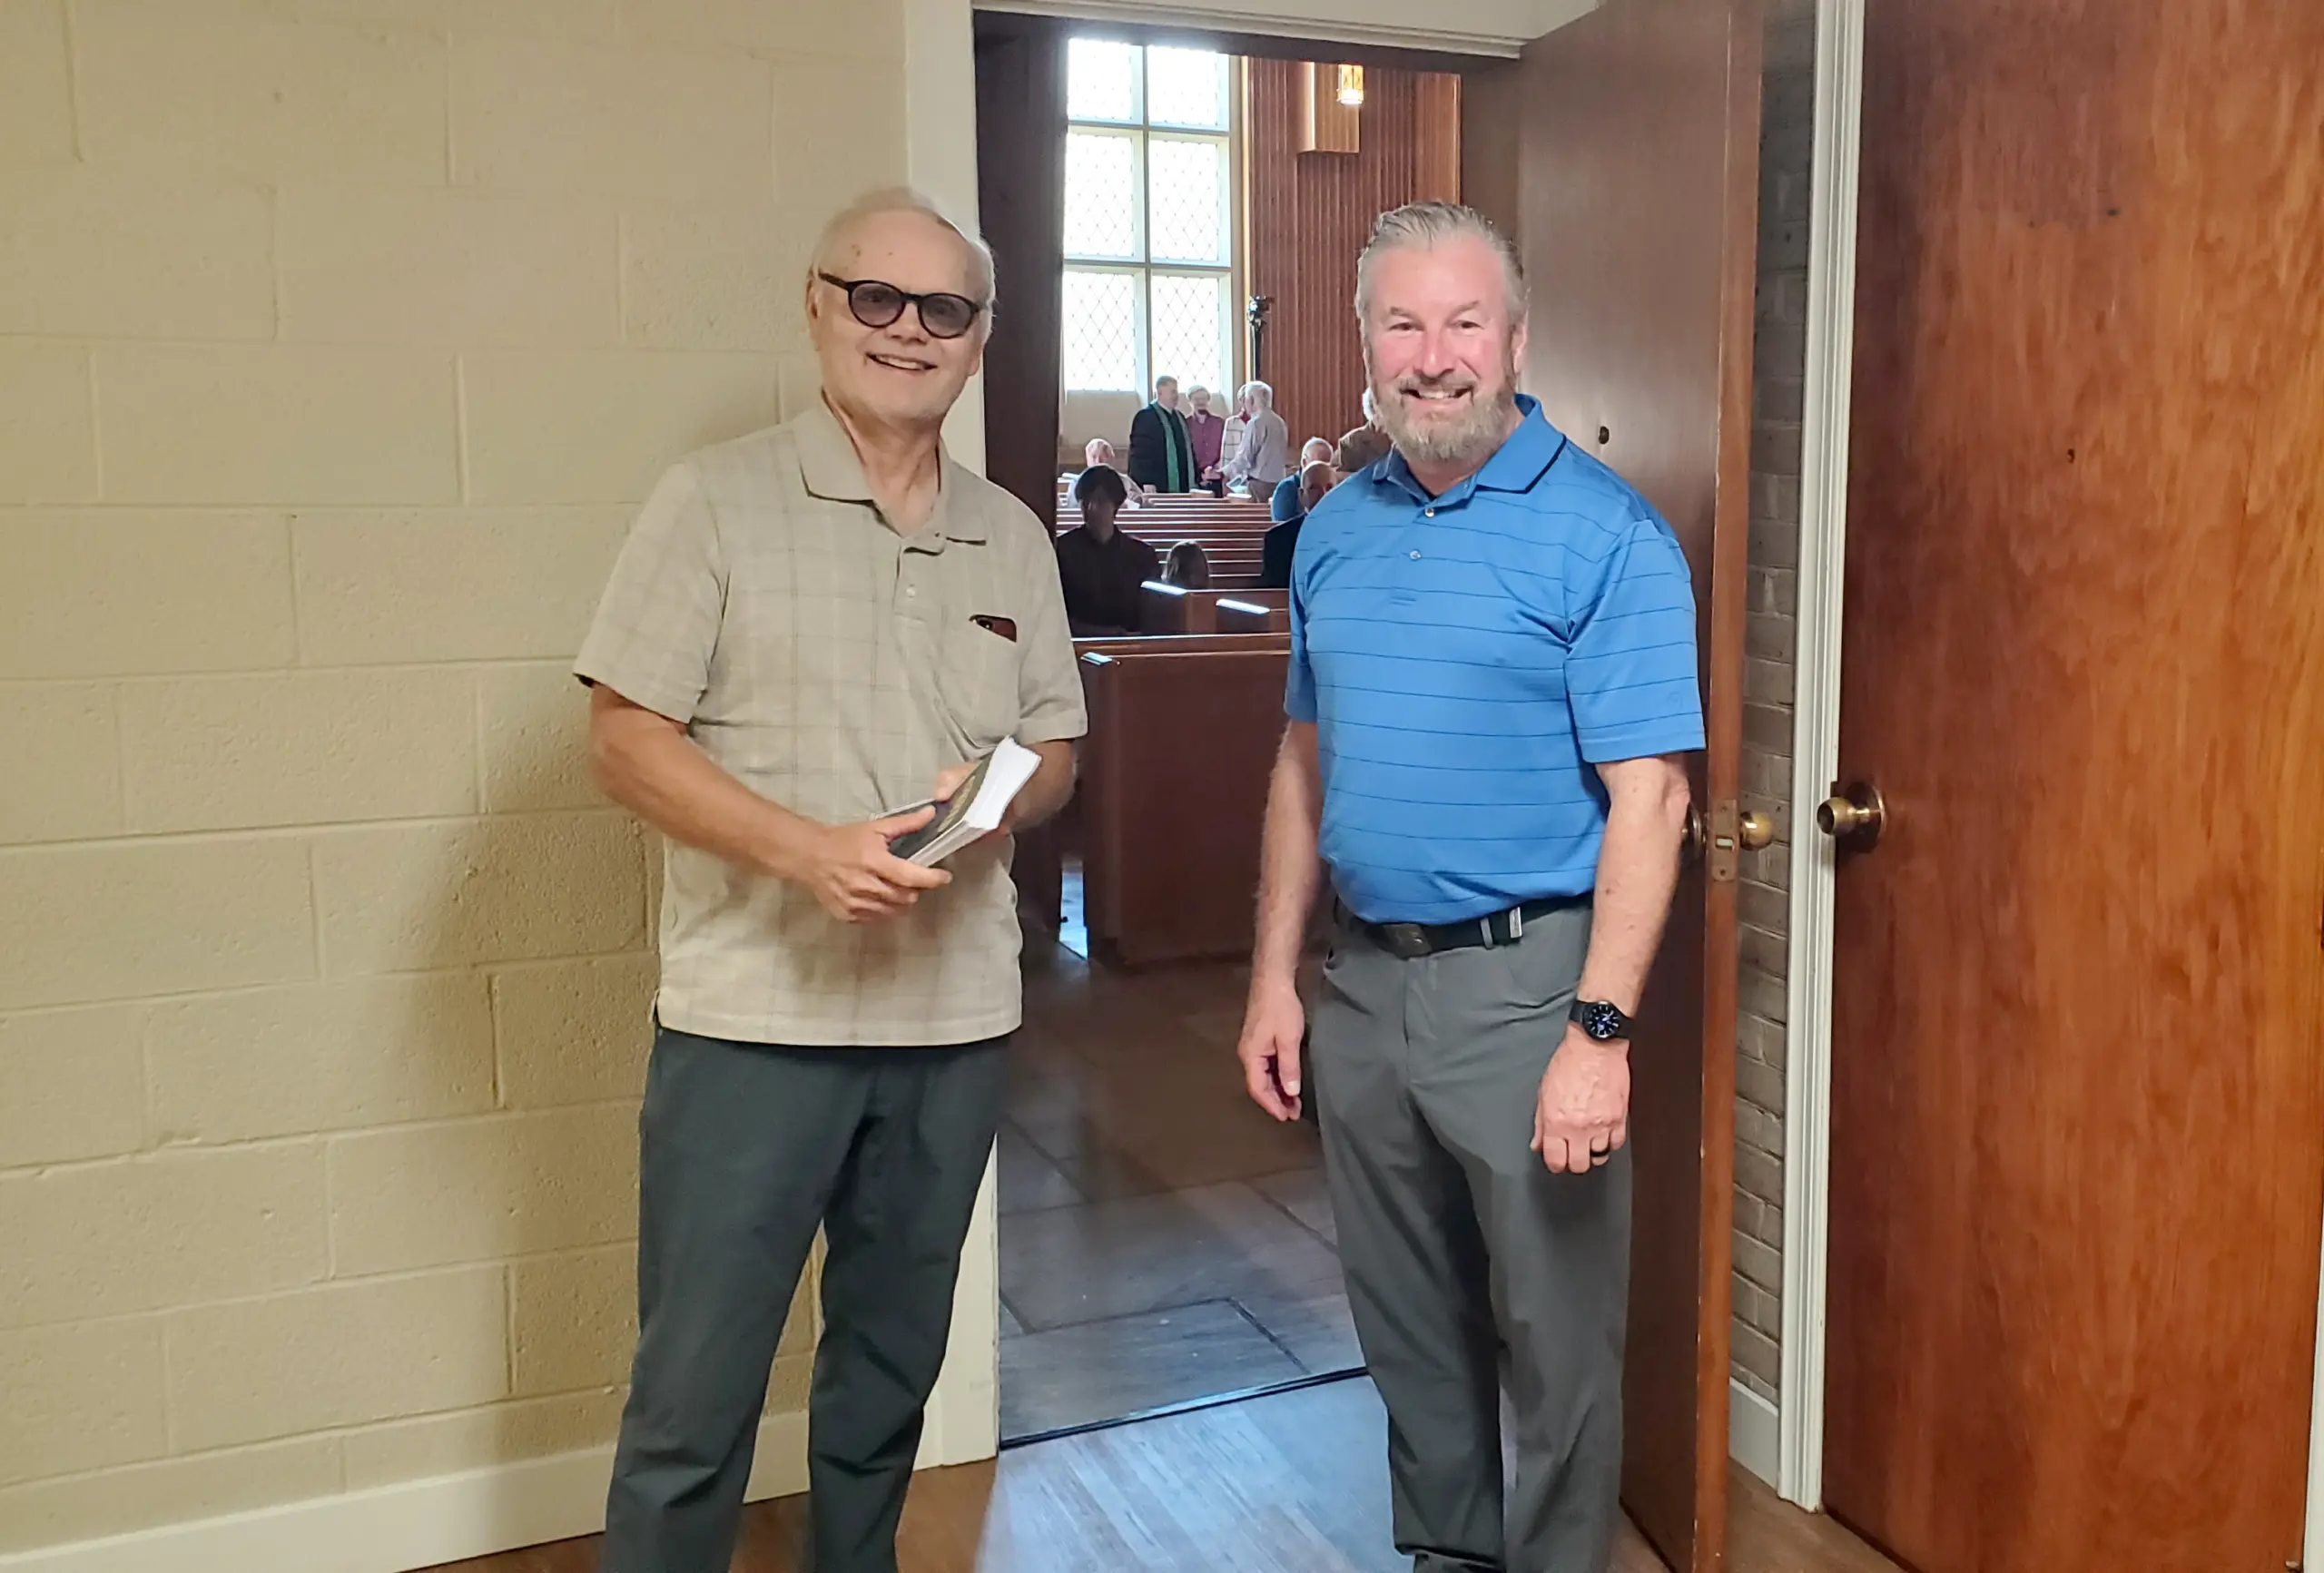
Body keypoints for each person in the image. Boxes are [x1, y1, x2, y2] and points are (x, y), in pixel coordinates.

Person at [576, 187, 1087, 1573]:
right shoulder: (715, 500)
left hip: (953, 1030)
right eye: (876, 297)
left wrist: (986, 806)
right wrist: (806, 853)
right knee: (694, 1400)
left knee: (883, 1388)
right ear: (818, 306)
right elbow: (623, 738)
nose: (907, 332)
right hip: (754, 1028)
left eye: (944, 310)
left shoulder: (1011, 537)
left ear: (978, 340)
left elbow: (1053, 752)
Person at [1235, 201, 1701, 1573]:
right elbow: (1303, 766)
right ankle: (1449, 1557)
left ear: (1516, 338)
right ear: (1365, 343)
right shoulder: (1332, 532)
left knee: (1556, 1347)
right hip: (1364, 988)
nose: (1434, 357)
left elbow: (1653, 801)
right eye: (1404, 323)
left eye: (1464, 323)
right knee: (1408, 1330)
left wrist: (1598, 1036)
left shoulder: (1608, 538)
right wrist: (1274, 975)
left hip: (1529, 995)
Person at [1054, 464, 1160, 634]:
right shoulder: (1062, 551)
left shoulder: (1142, 555)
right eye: (1085, 501)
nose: (1090, 508)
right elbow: (1056, 616)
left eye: (1100, 500)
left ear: (1115, 506)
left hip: (1131, 648)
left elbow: (1152, 616)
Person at [1260, 459, 1334, 589]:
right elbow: (1274, 593)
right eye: (1314, 489)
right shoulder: (1278, 539)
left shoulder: (1353, 536)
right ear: (1301, 495)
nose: (1324, 495)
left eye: (1330, 488)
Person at [1128, 375, 1196, 494]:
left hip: (1183, 484)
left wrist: (1196, 477)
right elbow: (1139, 453)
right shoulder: (1146, 417)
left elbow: (1188, 449)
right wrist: (1146, 480)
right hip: (1156, 485)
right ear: (1159, 393)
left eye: (1177, 392)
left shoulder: (1179, 417)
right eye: (1173, 392)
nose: (1176, 396)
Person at [1224, 379, 1291, 494]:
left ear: (1251, 400)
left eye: (1246, 400)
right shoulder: (1280, 421)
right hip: (1278, 482)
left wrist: (1223, 472)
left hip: (1259, 484)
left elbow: (1245, 458)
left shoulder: (1256, 422)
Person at [1271, 436, 1337, 523]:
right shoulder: (1287, 488)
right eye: (1317, 464)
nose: (1323, 469)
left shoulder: (1336, 486)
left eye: (1327, 465)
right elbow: (1282, 528)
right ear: (1304, 462)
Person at [1185, 385, 1227, 487]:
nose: (1201, 402)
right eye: (1197, 399)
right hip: (1193, 477)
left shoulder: (1219, 423)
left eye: (1203, 398)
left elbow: (1225, 448)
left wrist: (1216, 468)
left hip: (1216, 475)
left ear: (1208, 400)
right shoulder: (1185, 424)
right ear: (1189, 401)